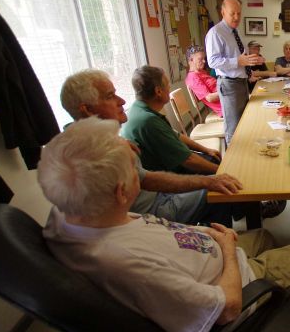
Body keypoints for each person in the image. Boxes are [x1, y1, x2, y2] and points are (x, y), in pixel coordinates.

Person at [38, 117, 290, 332]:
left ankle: (281, 270)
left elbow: (65, 160)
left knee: (263, 237)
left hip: (204, 249)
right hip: (227, 283)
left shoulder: (72, 210)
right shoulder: (130, 265)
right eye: (135, 171)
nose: (141, 176)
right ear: (122, 192)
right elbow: (227, 309)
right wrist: (228, 251)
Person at [61, 69, 240, 227]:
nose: (122, 101)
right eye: (110, 96)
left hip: (155, 196)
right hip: (152, 210)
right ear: (87, 110)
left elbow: (174, 138)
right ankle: (219, 240)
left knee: (214, 174)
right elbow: (149, 180)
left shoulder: (87, 136)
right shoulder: (93, 148)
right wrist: (211, 179)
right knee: (217, 192)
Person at [122, 65, 221, 175]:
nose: (169, 87)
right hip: (164, 177)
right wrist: (222, 170)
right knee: (216, 165)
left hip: (168, 166)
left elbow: (175, 135)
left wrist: (206, 150)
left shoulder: (138, 109)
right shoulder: (148, 120)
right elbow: (188, 161)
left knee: (213, 158)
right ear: (158, 91)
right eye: (168, 84)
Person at [205, 0, 263, 145]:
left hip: (241, 82)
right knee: (233, 127)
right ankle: (231, 164)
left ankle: (242, 159)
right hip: (229, 85)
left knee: (243, 123)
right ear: (223, 12)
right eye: (233, 14)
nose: (237, 17)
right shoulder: (216, 32)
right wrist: (237, 61)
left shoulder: (234, 31)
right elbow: (212, 61)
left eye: (239, 13)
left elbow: (239, 58)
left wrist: (250, 66)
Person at [185, 46, 222, 118]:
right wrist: (229, 91)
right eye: (200, 59)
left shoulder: (201, 71)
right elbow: (210, 98)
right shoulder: (192, 77)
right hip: (225, 107)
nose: (204, 61)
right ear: (191, 60)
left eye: (204, 58)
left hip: (229, 100)